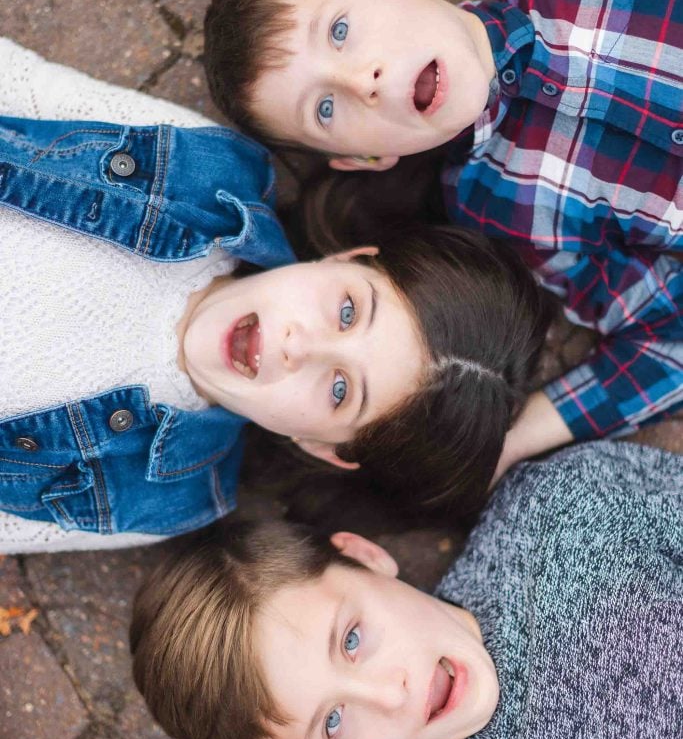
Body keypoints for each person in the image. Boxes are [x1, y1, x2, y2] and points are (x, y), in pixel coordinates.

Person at [203, 0, 683, 482]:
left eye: (341, 29)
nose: (362, 80)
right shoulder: (505, 212)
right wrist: (516, 439)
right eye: (325, 109)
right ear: (367, 157)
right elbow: (669, 335)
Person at [0, 40, 550, 552]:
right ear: (350, 260)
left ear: (319, 446)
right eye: (348, 311)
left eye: (339, 391)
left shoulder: (160, 496)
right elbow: (23, 84)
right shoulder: (202, 176)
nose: (297, 347)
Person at [130, 439, 683, 739]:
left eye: (351, 640)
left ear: (367, 557)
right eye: (333, 721)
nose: (389, 695)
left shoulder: (562, 514)